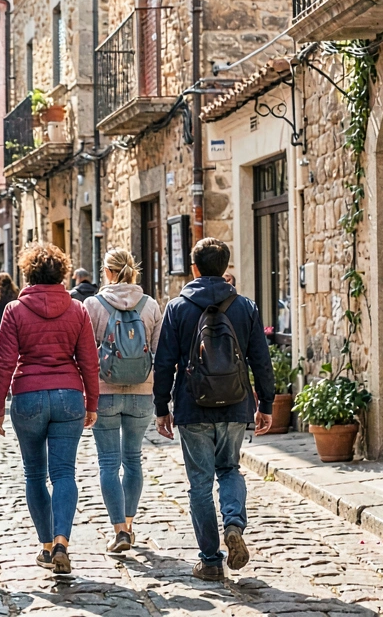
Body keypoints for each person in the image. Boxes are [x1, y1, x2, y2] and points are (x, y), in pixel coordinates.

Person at [154, 237, 274, 582]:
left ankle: (209, 560)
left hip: (193, 406)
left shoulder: (177, 307)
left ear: (194, 268)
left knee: (200, 484)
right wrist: (265, 403)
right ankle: (234, 524)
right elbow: (261, 361)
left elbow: (163, 363)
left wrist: (162, 407)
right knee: (230, 469)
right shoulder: (245, 307)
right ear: (226, 267)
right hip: (235, 402)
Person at [0, 243, 98, 576]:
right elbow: (89, 362)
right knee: (64, 473)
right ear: (62, 273)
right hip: (68, 395)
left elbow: (4, 362)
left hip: (28, 397)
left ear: (29, 273)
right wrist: (91, 402)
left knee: (35, 474)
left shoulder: (14, 310)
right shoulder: (77, 310)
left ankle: (47, 547)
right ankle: (63, 540)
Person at [82, 248, 162, 552]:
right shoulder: (151, 305)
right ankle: (129, 522)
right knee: (133, 460)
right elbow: (159, 353)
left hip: (105, 393)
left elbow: (87, 355)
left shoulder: (93, 304)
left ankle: (118, 530)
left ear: (108, 272)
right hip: (142, 393)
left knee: (108, 462)